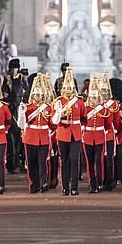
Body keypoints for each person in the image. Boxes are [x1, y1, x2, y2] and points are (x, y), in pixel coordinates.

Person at [19, 73, 53, 194]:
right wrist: (21, 113)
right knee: (31, 163)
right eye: (36, 94)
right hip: (30, 137)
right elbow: (21, 124)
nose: (38, 96)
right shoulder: (27, 107)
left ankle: (43, 182)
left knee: (42, 162)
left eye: (40, 94)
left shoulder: (48, 107)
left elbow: (52, 124)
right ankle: (33, 184)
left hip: (43, 137)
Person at [52, 66, 83, 196]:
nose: (69, 90)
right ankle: (65, 187)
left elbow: (84, 118)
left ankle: (74, 187)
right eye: (67, 88)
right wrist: (59, 112)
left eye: (71, 88)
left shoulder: (79, 102)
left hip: (75, 134)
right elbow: (54, 120)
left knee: (74, 160)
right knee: (64, 160)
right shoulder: (58, 102)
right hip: (63, 133)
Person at [81, 74, 107, 193]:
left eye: (96, 97)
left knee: (98, 160)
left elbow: (108, 124)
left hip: (99, 137)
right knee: (90, 162)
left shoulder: (103, 109)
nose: (94, 99)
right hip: (88, 137)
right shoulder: (85, 108)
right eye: (92, 97)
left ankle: (99, 182)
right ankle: (92, 183)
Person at [1, 59, 26, 174]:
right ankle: (11, 163)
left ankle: (19, 162)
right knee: (11, 141)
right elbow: (4, 95)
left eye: (16, 67)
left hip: (19, 111)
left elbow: (25, 94)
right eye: (13, 68)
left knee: (19, 140)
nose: (15, 70)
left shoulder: (21, 80)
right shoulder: (7, 80)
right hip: (10, 111)